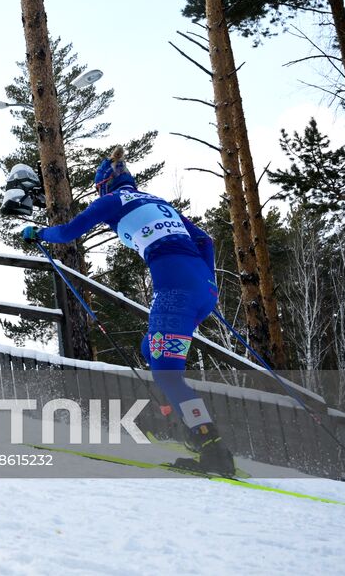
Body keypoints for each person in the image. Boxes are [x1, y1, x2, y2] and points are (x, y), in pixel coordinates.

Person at [22, 146, 235, 476]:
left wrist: (38, 233)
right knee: (150, 349)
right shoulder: (159, 202)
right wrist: (207, 282)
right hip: (201, 290)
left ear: (104, 185)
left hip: (175, 294)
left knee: (167, 373)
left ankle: (213, 450)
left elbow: (66, 233)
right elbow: (205, 240)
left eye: (97, 189)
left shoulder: (112, 201)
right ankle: (187, 423)